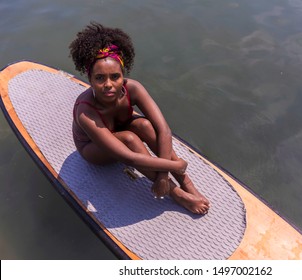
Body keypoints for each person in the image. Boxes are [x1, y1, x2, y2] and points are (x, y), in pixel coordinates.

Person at [70, 22, 210, 215]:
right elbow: (127, 157)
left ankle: (184, 181)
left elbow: (164, 130)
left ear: (123, 75)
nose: (108, 84)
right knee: (129, 138)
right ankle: (176, 193)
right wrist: (173, 165)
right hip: (95, 151)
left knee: (144, 124)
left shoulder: (133, 88)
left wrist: (163, 174)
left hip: (122, 134)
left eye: (115, 77)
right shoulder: (86, 112)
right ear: (90, 79)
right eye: (100, 78)